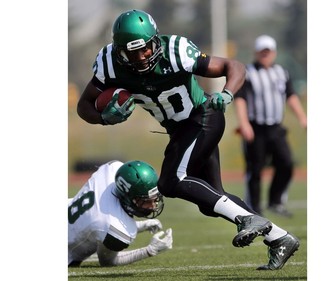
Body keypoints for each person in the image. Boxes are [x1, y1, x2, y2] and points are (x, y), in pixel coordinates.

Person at [76, 10, 299, 270]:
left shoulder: (175, 51)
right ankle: (280, 237)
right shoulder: (109, 63)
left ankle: (255, 224)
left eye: (145, 49)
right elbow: (84, 105)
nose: (141, 57)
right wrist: (103, 117)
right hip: (180, 130)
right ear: (119, 51)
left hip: (203, 116)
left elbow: (233, 66)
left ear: (155, 40)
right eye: (131, 53)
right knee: (213, 201)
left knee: (171, 182)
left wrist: (227, 93)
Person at [234, 34, 307, 217]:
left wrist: (303, 118)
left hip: (276, 128)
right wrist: (244, 123)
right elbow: (240, 99)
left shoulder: (282, 72)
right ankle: (254, 208)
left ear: (274, 52)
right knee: (255, 169)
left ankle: (276, 201)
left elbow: (290, 96)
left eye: (268, 51)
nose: (265, 54)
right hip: (255, 128)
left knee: (286, 163)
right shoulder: (248, 72)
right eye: (262, 51)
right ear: (256, 52)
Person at [68, 159, 173, 267]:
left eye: (154, 199)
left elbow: (93, 221)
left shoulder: (112, 169)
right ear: (128, 197)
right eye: (146, 201)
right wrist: (150, 250)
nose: (153, 206)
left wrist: (142, 225)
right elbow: (107, 261)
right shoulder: (113, 226)